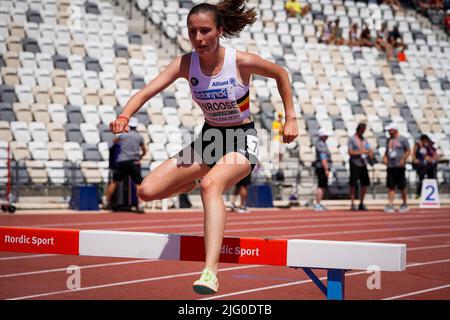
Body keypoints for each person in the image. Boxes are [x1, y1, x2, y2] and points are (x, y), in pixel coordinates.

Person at [109, 0, 298, 295]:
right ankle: (193, 180)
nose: (198, 38)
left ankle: (210, 271)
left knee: (212, 185)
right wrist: (124, 115)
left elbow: (281, 74)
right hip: (210, 139)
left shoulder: (241, 61)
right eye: (192, 31)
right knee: (146, 192)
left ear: (220, 31)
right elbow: (148, 90)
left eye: (205, 31)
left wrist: (291, 118)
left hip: (240, 138)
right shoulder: (186, 63)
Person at [105, 117, 147, 213]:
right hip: (134, 161)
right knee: (138, 184)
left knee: (115, 182)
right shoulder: (139, 137)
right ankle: (140, 205)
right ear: (136, 126)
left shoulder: (123, 135)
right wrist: (140, 156)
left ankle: (106, 201)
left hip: (122, 160)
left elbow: (115, 141)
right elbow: (144, 150)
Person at [383, 123, 411, 213]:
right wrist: (385, 157)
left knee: (402, 186)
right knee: (391, 186)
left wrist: (403, 158)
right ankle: (390, 204)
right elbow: (387, 151)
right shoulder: (389, 140)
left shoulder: (402, 139)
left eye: (390, 130)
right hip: (391, 166)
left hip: (399, 166)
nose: (388, 132)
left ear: (394, 130)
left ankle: (405, 203)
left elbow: (408, 150)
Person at [348, 123, 374, 211]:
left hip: (363, 163)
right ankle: (352, 203)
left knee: (364, 184)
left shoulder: (364, 140)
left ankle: (361, 202)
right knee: (353, 184)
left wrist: (369, 153)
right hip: (355, 163)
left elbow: (368, 149)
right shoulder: (352, 139)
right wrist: (361, 152)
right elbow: (350, 152)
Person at [412, 134, 438, 198]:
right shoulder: (417, 145)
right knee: (421, 179)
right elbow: (414, 155)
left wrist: (431, 159)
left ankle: (430, 195)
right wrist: (415, 159)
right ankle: (418, 194)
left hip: (427, 166)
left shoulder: (428, 147)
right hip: (420, 166)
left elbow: (428, 156)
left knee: (431, 176)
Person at [313, 128, 332, 211]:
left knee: (322, 186)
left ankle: (318, 203)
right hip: (321, 167)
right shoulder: (321, 144)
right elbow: (323, 157)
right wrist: (326, 169)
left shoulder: (322, 143)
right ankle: (317, 204)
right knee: (321, 186)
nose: (327, 137)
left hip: (321, 167)